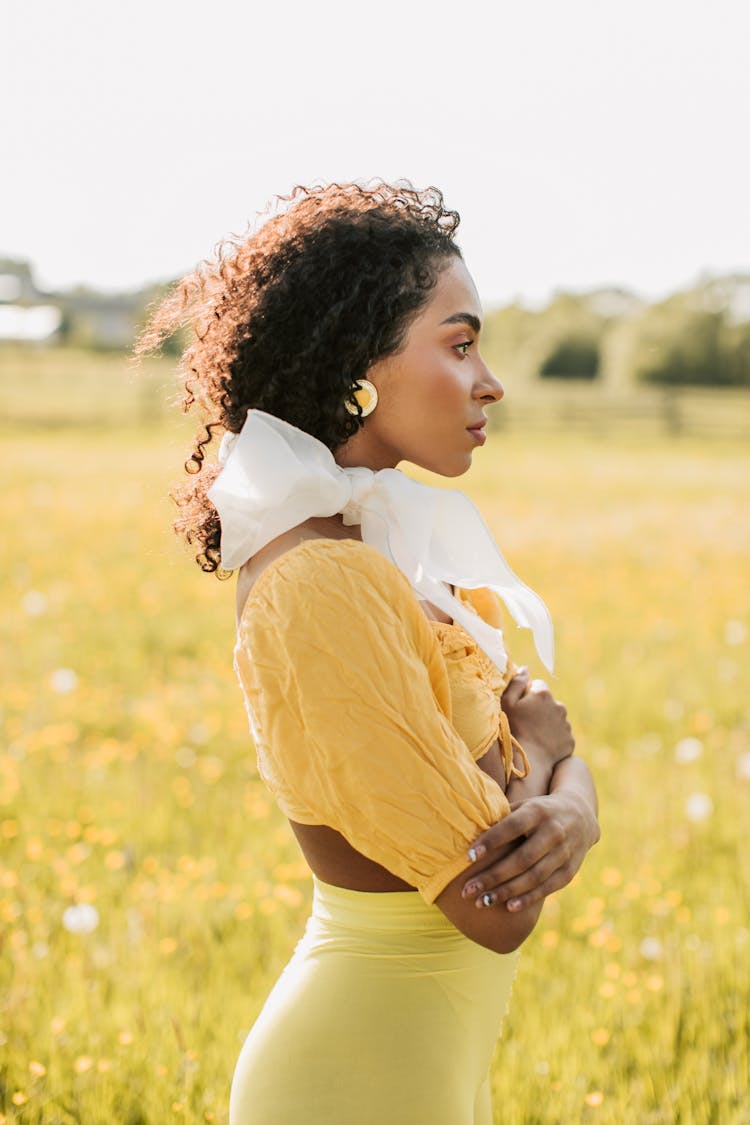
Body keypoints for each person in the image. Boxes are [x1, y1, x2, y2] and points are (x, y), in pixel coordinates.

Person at [136, 181, 600, 1125]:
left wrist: (570, 807)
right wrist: (559, 762)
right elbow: (497, 904)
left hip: (418, 1066)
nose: (490, 381)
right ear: (359, 365)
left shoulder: (382, 555)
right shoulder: (324, 581)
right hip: (355, 1077)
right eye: (461, 343)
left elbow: (525, 785)